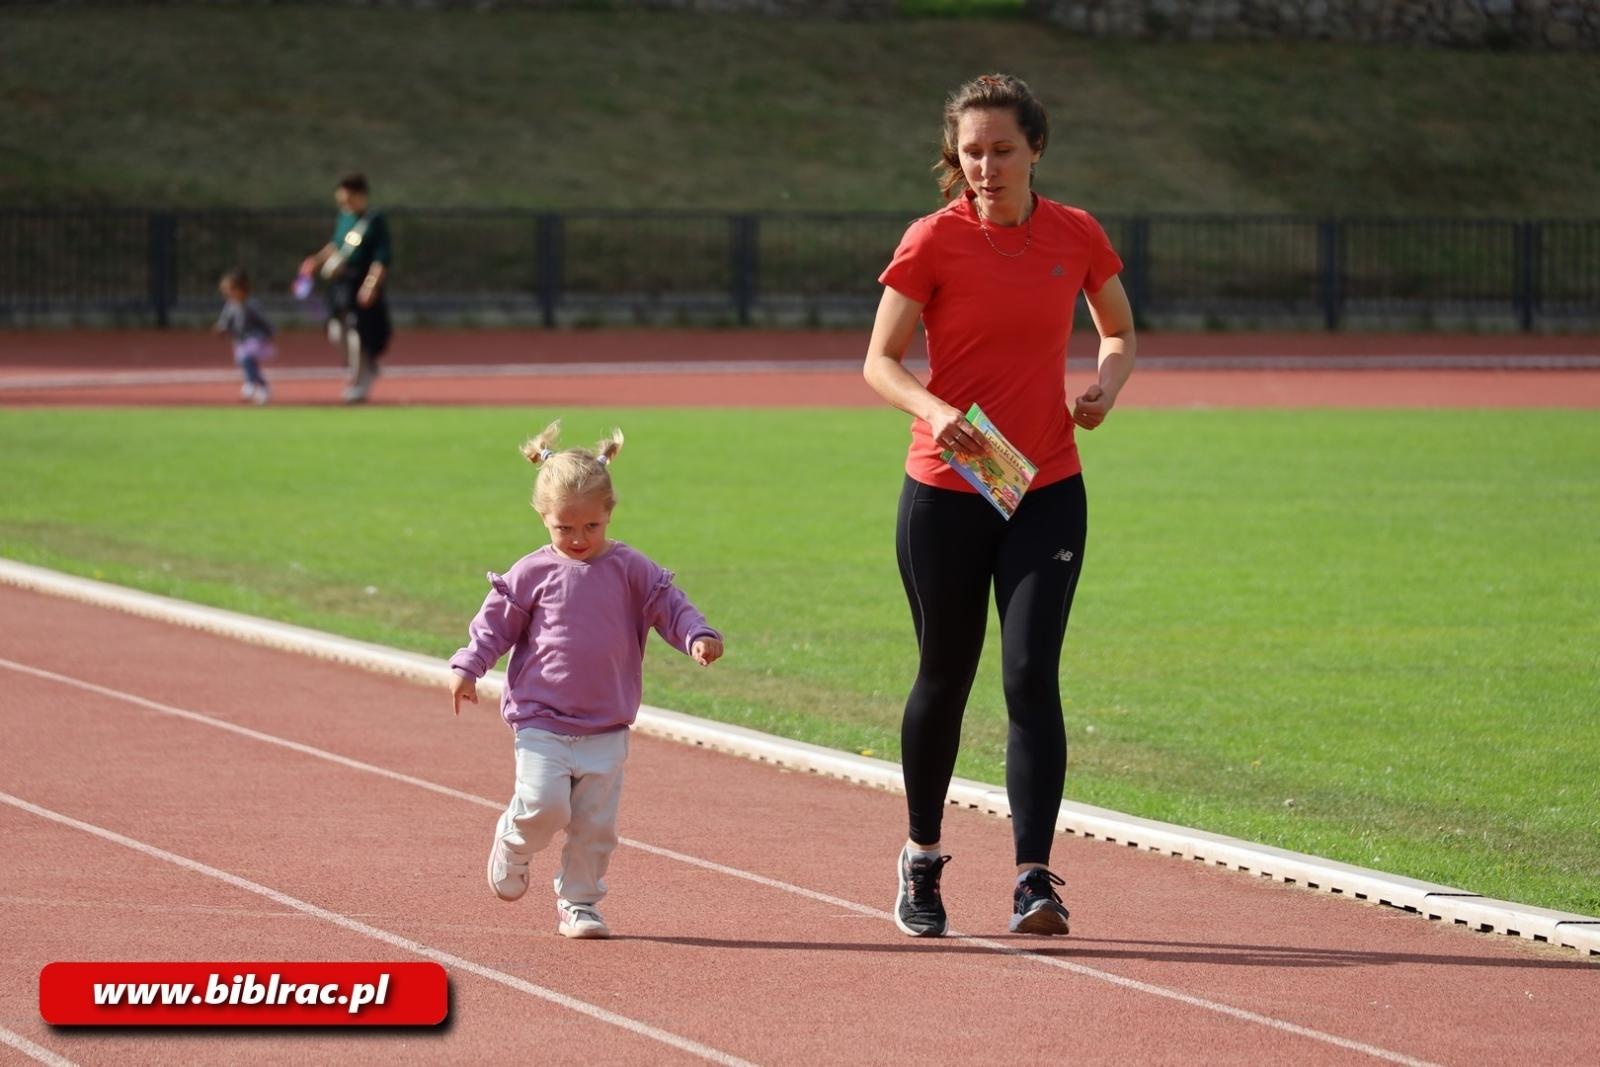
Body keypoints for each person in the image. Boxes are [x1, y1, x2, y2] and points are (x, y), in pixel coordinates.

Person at [862, 73, 1137, 938]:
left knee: (1029, 677)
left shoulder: (1076, 233)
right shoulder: (932, 241)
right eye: (972, 151)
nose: (986, 166)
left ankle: (1033, 879)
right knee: (945, 676)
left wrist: (1105, 384)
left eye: (1002, 149)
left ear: (1036, 150)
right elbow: (879, 359)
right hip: (949, 487)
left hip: (1044, 481)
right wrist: (935, 410)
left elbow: (1121, 329)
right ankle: (921, 857)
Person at [448, 421, 725, 939]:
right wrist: (469, 665)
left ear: (608, 515)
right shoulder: (531, 573)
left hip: (606, 724)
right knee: (544, 806)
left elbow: (670, 606)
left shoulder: (630, 568)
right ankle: (513, 839)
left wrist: (696, 635)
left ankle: (578, 903)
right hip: (541, 719)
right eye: (564, 529)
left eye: (590, 528)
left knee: (595, 828)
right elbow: (494, 625)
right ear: (543, 519)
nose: (577, 539)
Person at [298, 172, 392, 404]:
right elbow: (336, 244)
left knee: (357, 332)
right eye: (341, 201)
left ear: (361, 196)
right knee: (335, 330)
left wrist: (370, 285)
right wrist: (316, 260)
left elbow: (381, 259)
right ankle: (363, 366)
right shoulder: (345, 217)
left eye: (348, 200)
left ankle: (359, 382)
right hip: (341, 284)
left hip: (360, 282)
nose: (345, 205)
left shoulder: (374, 222)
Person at [213, 268, 275, 405]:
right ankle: (263, 387)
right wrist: (221, 329)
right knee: (248, 364)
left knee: (247, 358)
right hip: (240, 341)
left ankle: (250, 384)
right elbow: (225, 322)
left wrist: (270, 332)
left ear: (241, 289)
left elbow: (264, 321)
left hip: (256, 339)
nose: (229, 294)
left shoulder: (252, 305)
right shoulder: (230, 306)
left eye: (231, 290)